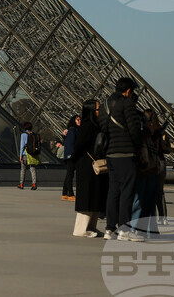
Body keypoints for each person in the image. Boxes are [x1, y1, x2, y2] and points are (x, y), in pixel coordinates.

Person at [103, 76, 144, 241]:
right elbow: (134, 130)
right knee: (127, 192)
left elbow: (103, 128)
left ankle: (109, 229)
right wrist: (138, 146)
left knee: (113, 191)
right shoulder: (127, 103)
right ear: (128, 91)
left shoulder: (105, 104)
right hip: (126, 153)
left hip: (110, 154)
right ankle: (124, 229)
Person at [72, 100, 108, 237]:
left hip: (93, 165)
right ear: (91, 111)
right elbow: (80, 145)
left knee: (95, 196)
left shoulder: (96, 125)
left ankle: (91, 227)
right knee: (87, 197)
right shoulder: (87, 126)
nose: (101, 111)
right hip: (87, 165)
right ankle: (81, 229)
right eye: (98, 109)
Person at [130, 109, 163, 236]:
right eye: (151, 121)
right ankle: (140, 228)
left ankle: (142, 228)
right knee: (144, 201)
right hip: (146, 170)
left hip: (149, 170)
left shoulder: (153, 135)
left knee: (145, 201)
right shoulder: (144, 135)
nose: (153, 124)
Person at [18, 121, 39, 190]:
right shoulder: (33, 135)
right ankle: (34, 184)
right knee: (32, 169)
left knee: (23, 169)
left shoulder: (23, 135)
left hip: (25, 154)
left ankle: (21, 184)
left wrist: (20, 155)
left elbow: (22, 146)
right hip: (32, 154)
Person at [61, 115, 78, 201]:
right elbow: (71, 144)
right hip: (71, 155)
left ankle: (64, 193)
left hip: (69, 155)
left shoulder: (70, 130)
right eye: (77, 119)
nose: (79, 121)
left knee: (69, 174)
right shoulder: (72, 130)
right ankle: (70, 194)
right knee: (70, 174)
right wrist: (72, 154)